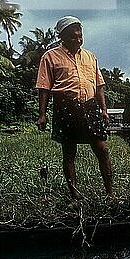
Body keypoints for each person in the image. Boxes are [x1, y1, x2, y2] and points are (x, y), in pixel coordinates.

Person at [36, 16, 113, 199]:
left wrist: (103, 110)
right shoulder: (50, 56)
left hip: (90, 106)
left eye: (80, 36)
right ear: (62, 36)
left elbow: (99, 86)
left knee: (102, 149)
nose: (77, 40)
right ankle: (75, 196)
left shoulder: (90, 56)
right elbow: (44, 88)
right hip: (65, 106)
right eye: (72, 37)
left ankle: (110, 194)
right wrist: (42, 115)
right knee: (69, 152)